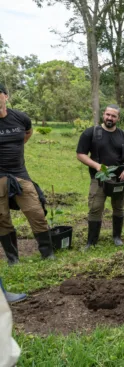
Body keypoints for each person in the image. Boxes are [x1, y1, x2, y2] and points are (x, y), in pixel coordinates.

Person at [0, 83, 55, 264]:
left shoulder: (20, 118)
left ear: (6, 96)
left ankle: (47, 253)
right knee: (2, 218)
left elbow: (27, 134)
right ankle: (13, 259)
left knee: (36, 211)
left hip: (20, 174)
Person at [76, 105, 124, 249]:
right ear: (103, 114)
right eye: (108, 114)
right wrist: (97, 166)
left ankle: (117, 237)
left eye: (113, 116)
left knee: (119, 207)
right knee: (95, 207)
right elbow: (80, 154)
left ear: (118, 118)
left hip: (119, 179)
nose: (110, 118)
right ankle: (91, 241)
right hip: (99, 178)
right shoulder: (91, 133)